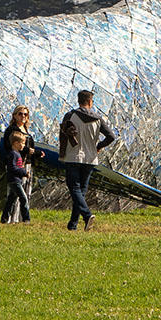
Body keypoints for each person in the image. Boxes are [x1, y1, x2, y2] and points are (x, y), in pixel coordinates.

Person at [59, 90, 116, 231]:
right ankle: (73, 225)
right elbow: (111, 136)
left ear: (79, 100)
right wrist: (99, 146)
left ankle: (86, 215)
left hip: (73, 157)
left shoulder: (71, 115)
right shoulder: (98, 119)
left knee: (74, 189)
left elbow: (63, 135)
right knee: (81, 192)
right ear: (90, 102)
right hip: (90, 159)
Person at [0, 106, 36, 224]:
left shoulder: (26, 130)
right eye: (20, 114)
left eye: (25, 114)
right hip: (16, 165)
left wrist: (36, 153)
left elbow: (31, 147)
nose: (23, 116)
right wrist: (26, 150)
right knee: (17, 193)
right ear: (15, 115)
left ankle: (18, 218)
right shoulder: (12, 130)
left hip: (27, 163)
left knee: (22, 192)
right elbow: (8, 146)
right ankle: (15, 218)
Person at [1, 132, 31, 224]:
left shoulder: (17, 154)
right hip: (14, 181)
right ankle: (26, 219)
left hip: (16, 180)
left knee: (11, 200)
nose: (23, 145)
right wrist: (24, 172)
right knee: (23, 198)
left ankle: (5, 218)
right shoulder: (13, 154)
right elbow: (12, 168)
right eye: (22, 143)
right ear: (15, 143)